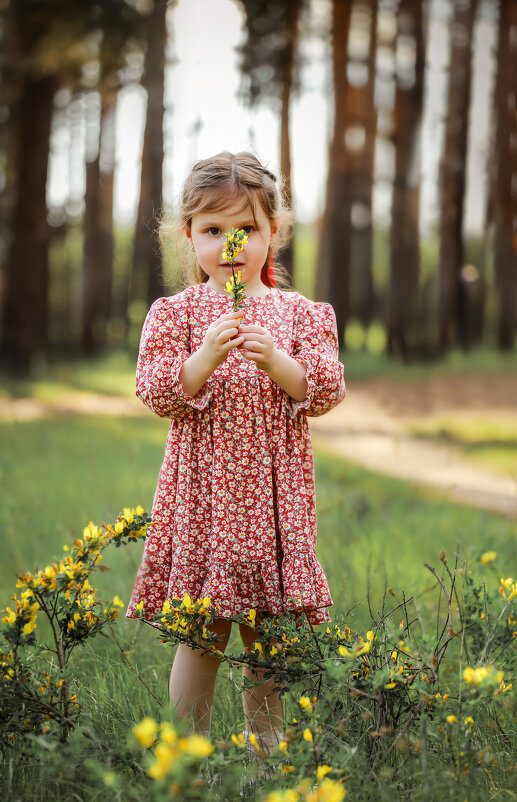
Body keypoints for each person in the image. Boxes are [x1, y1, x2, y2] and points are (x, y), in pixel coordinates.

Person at [126, 150, 346, 755]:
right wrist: (204, 359)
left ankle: (264, 753)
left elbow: (325, 389)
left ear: (274, 231)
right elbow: (155, 390)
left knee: (269, 639)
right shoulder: (175, 314)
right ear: (189, 237)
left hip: (275, 505)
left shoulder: (299, 315)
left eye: (247, 229)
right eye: (214, 231)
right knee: (201, 633)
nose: (232, 245)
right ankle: (185, 753)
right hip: (206, 502)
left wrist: (277, 359)